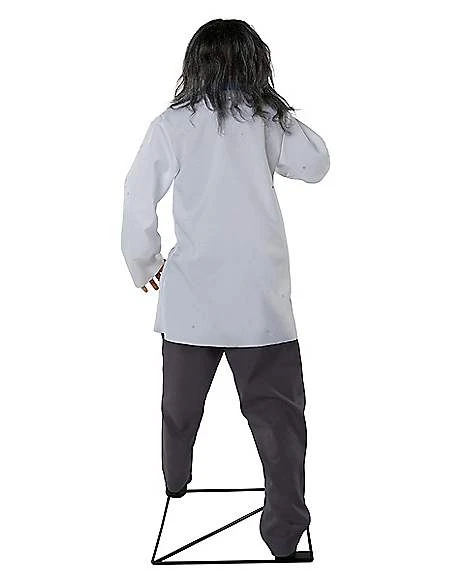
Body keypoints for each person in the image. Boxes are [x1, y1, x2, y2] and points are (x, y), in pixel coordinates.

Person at [121, 18, 330, 560]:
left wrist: (143, 262)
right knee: (279, 422)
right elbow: (316, 163)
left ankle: (175, 481)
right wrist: (276, 108)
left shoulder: (174, 124)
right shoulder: (265, 122)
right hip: (260, 304)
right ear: (256, 64)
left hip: (192, 299)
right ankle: (284, 535)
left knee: (179, 407)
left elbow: (137, 193)